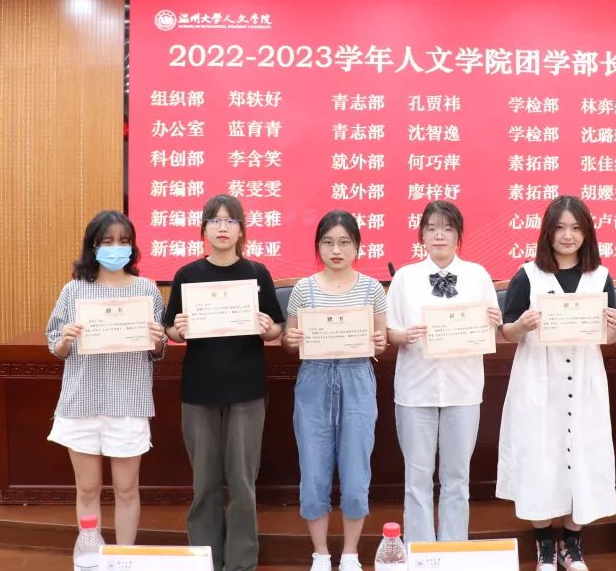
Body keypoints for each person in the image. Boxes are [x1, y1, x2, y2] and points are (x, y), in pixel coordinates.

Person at [497, 196, 616, 571]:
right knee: (539, 455)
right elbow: (506, 331)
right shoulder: (527, 275)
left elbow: (608, 335)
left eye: (576, 228)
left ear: (587, 233)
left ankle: (572, 544)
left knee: (583, 454)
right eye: (560, 227)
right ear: (547, 232)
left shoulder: (600, 277)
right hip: (538, 378)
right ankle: (544, 545)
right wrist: (520, 326)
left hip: (584, 378)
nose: (568, 235)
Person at [164, 194, 285, 571]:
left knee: (243, 483)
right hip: (199, 391)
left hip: (246, 390)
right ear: (203, 229)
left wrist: (268, 328)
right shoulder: (187, 275)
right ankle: (206, 560)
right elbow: (171, 329)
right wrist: (177, 329)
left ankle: (241, 562)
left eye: (230, 221)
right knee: (205, 483)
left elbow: (277, 327)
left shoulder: (257, 273)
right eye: (214, 220)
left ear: (241, 229)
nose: (222, 227)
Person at [45, 210, 166, 545]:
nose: (116, 248)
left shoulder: (146, 290)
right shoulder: (74, 291)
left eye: (123, 241)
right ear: (93, 246)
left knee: (126, 489)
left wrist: (157, 340)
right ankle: (90, 553)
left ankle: (124, 557)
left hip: (128, 401)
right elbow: (56, 345)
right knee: (87, 487)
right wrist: (65, 339)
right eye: (108, 241)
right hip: (82, 401)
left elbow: (158, 349)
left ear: (133, 247)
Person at [386, 200, 502, 544]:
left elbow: (492, 329)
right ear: (421, 235)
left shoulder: (478, 276)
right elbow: (390, 331)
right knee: (417, 479)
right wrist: (404, 336)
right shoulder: (405, 278)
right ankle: (420, 554)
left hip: (463, 389)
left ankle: (453, 551)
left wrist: (494, 322)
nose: (440, 235)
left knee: (457, 478)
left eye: (448, 228)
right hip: (415, 389)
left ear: (458, 236)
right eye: (432, 228)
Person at [281, 210, 388, 571]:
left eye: (344, 242)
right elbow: (289, 342)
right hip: (314, 380)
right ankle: (321, 554)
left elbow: (381, 341)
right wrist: (291, 338)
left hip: (357, 380)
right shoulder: (304, 289)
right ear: (318, 247)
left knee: (356, 474)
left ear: (358, 246)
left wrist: (379, 341)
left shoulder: (372, 289)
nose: (336, 250)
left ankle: (351, 554)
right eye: (328, 242)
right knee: (314, 473)